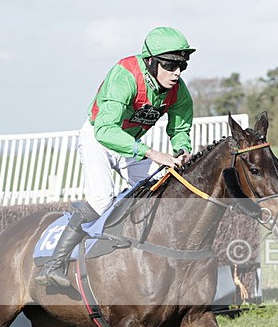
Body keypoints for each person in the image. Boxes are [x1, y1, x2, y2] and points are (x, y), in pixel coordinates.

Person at [37, 27, 196, 288]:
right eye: (170, 65)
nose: (177, 72)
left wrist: (181, 147)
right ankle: (54, 264)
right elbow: (106, 130)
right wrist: (152, 153)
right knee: (101, 199)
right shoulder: (125, 75)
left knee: (155, 194)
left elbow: (179, 127)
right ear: (151, 62)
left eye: (182, 65)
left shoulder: (176, 89)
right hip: (99, 137)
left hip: (130, 143)